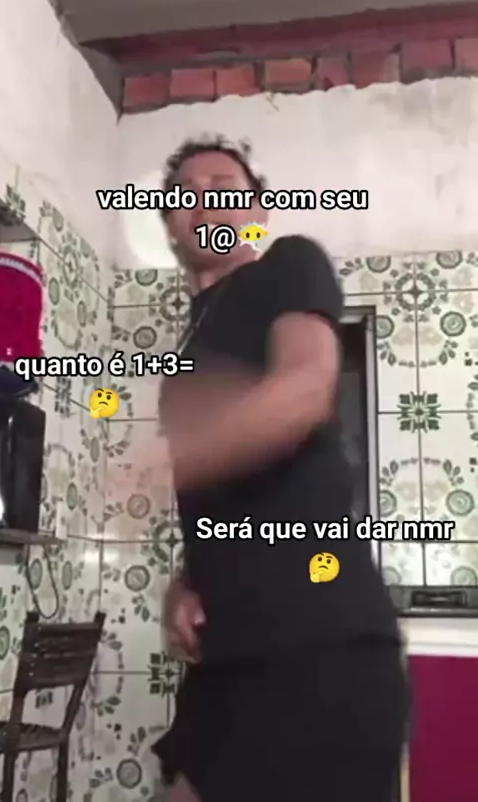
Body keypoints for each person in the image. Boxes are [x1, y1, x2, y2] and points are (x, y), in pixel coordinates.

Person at [152, 135, 409, 802]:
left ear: (257, 211)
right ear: (170, 225)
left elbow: (303, 390)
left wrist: (164, 458)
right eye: (186, 193)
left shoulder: (288, 265)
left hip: (319, 650)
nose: (205, 200)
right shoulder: (190, 346)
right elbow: (221, 499)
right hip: (227, 658)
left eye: (224, 187)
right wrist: (187, 580)